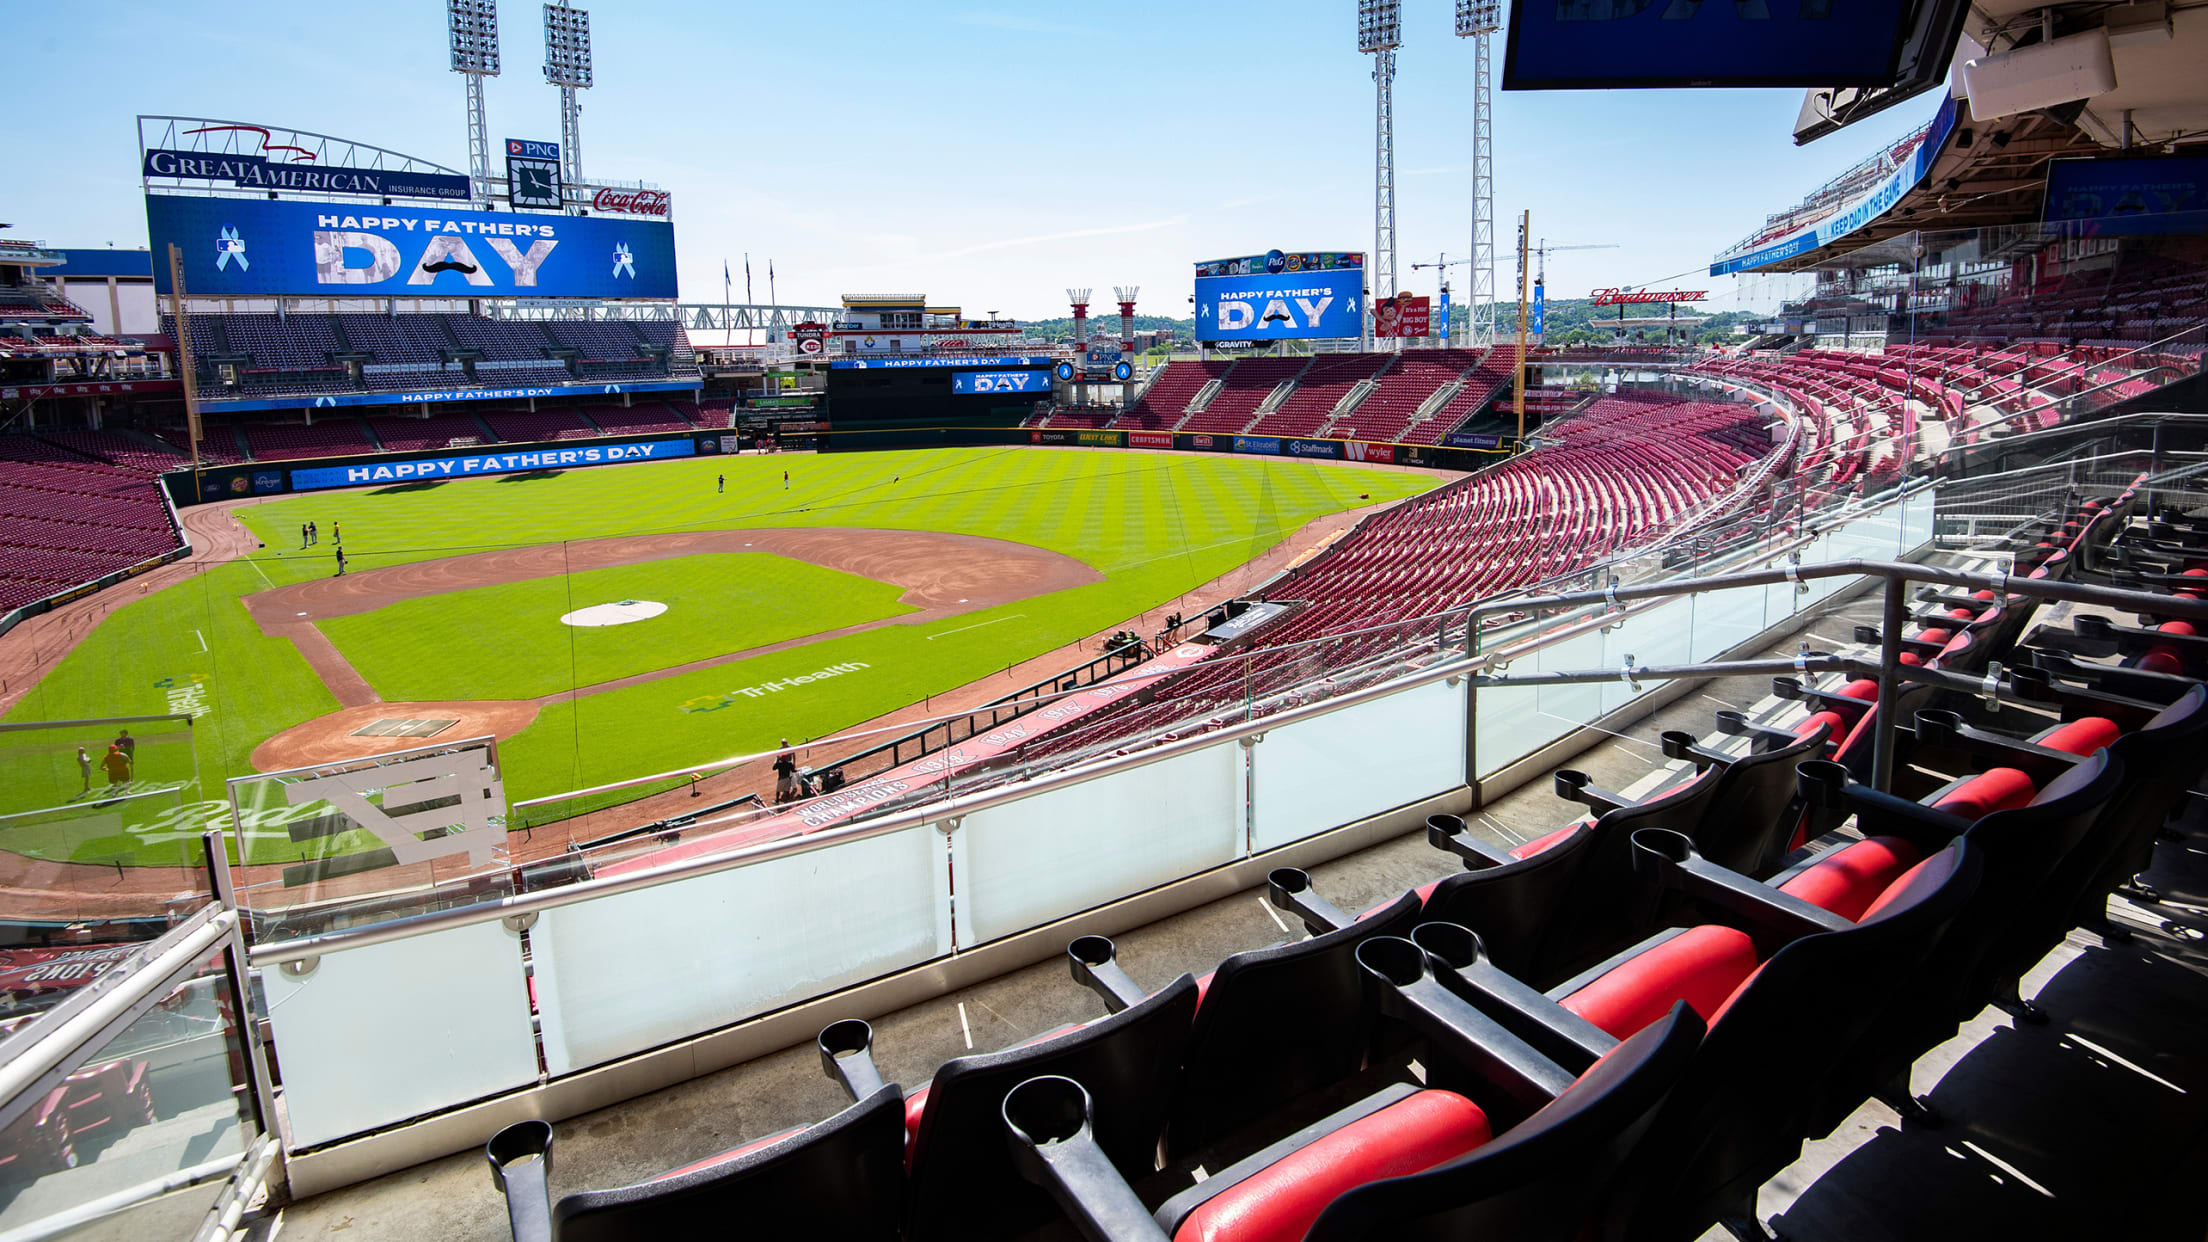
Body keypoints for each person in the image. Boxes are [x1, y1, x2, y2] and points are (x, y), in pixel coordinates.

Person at [773, 739, 800, 804]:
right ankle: (787, 800)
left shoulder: (779, 764)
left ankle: (777, 800)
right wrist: (796, 769)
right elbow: (793, 770)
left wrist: (776, 762)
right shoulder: (789, 764)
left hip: (781, 778)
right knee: (787, 789)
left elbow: (773, 768)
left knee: (778, 790)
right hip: (787, 777)